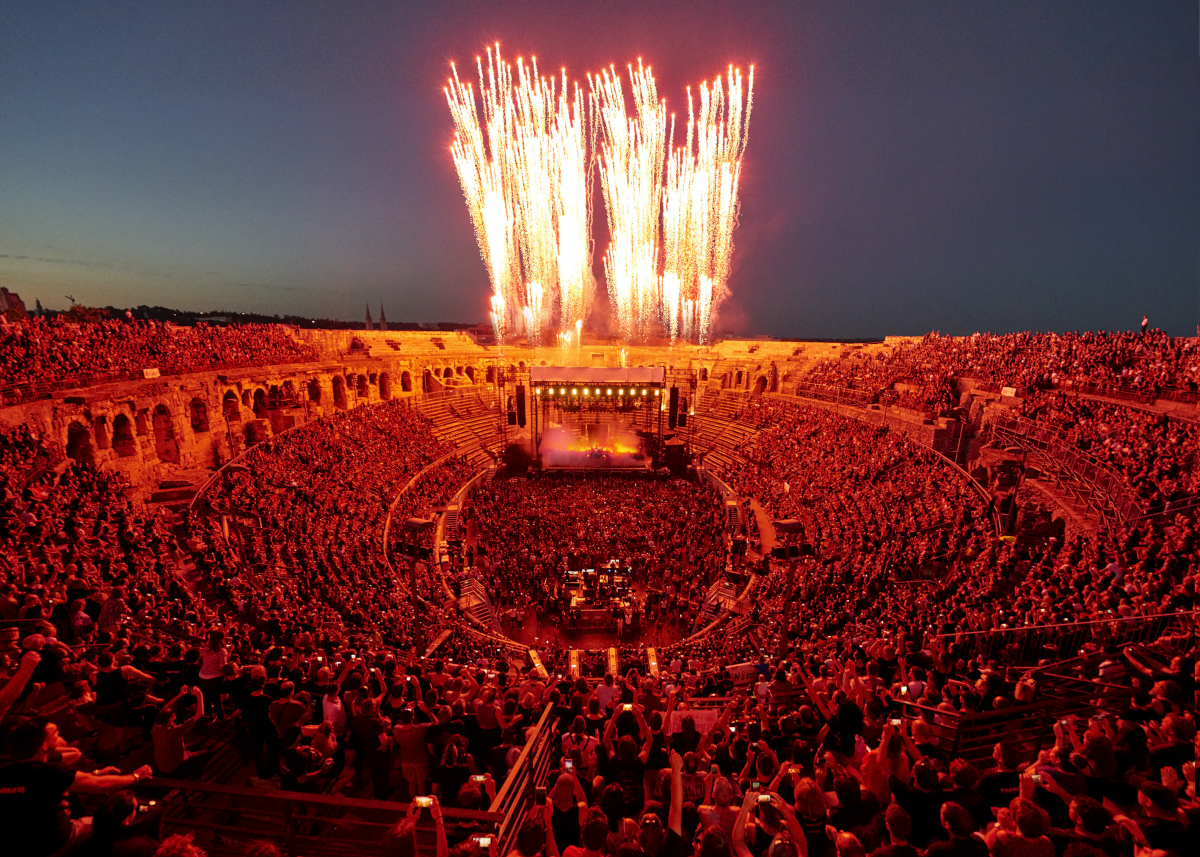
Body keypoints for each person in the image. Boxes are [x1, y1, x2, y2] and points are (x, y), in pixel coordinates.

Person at [0, 719, 152, 857]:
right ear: (44, 744)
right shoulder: (50, 772)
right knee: (116, 826)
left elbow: (51, 785)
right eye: (55, 734)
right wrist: (135, 776)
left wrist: (95, 773)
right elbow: (99, 784)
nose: (59, 735)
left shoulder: (5, 773)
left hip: (20, 845)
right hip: (55, 843)